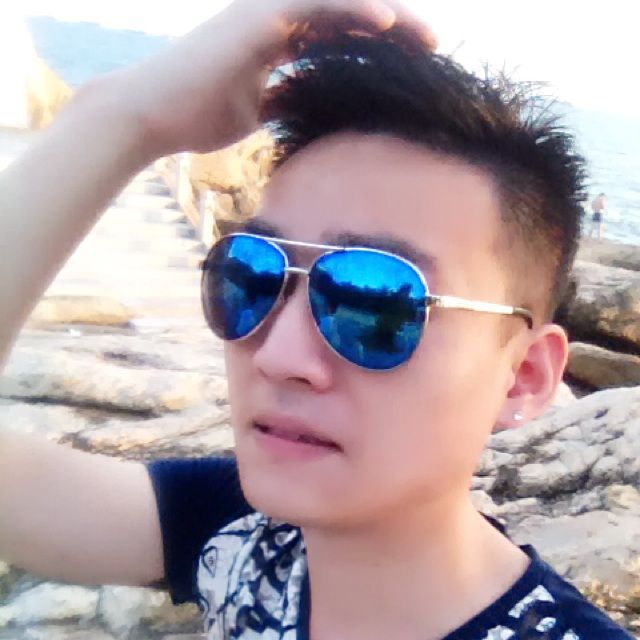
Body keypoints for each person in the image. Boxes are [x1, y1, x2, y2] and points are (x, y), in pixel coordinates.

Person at [0, 1, 634, 638]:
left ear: (523, 375)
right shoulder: (239, 537)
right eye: (251, 275)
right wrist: (123, 119)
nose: (278, 355)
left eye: (375, 303)